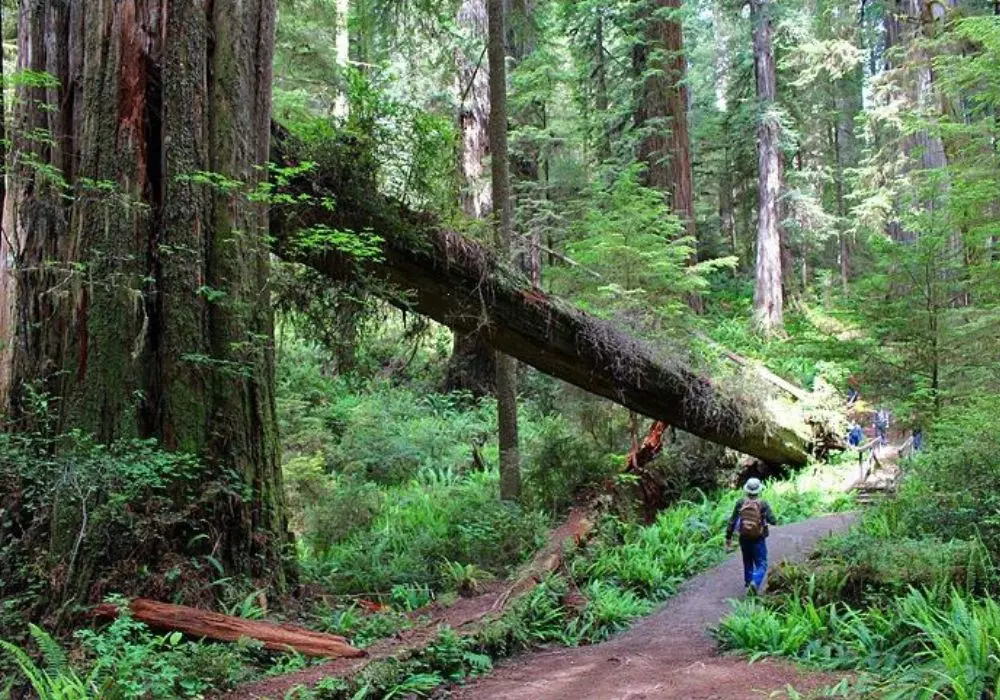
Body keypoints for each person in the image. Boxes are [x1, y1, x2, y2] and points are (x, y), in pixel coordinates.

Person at [725, 478, 777, 595]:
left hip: (743, 537)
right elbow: (773, 520)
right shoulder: (763, 503)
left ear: (746, 489)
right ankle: (755, 582)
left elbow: (732, 521)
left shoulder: (740, 502)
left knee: (747, 560)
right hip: (758, 537)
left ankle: (749, 584)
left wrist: (728, 537)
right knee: (761, 563)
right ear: (759, 490)